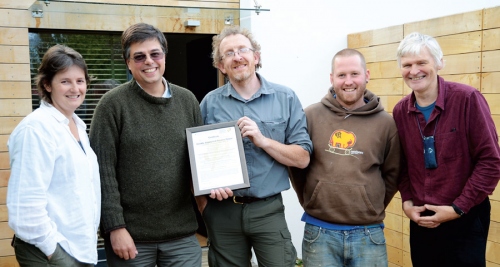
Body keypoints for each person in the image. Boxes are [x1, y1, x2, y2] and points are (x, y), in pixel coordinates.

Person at [196, 25, 313, 267]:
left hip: (267, 210)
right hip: (222, 212)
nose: (237, 57)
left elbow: (302, 158)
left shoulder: (286, 98)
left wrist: (263, 140)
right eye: (228, 53)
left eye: (242, 50)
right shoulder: (209, 104)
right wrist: (204, 203)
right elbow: (196, 159)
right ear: (220, 65)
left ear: (256, 57)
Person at [89, 23, 202, 267]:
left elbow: (199, 161)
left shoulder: (188, 101)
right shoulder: (111, 105)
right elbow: (102, 173)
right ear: (128, 63)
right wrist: (114, 227)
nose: (149, 61)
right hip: (131, 238)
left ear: (164, 56)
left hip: (182, 235)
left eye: (155, 54)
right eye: (139, 56)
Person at [393, 32, 500, 267]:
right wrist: (407, 201)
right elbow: (400, 164)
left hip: (466, 216)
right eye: (407, 65)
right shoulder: (400, 111)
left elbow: (490, 161)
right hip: (422, 218)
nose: (414, 71)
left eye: (422, 62)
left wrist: (458, 208)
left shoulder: (468, 99)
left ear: (439, 63)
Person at [289, 48, 401, 267]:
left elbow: (393, 173)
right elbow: (297, 168)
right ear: (332, 79)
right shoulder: (310, 116)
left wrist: (370, 204)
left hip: (368, 234)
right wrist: (311, 199)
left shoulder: (386, 124)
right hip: (319, 232)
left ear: (366, 75)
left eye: (354, 74)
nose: (348, 81)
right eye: (341, 75)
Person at [7, 44, 101, 266]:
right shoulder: (36, 129)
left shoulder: (78, 127)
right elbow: (25, 207)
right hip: (50, 253)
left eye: (80, 81)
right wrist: (55, 254)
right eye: (65, 81)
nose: (75, 88)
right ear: (47, 84)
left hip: (77, 249)